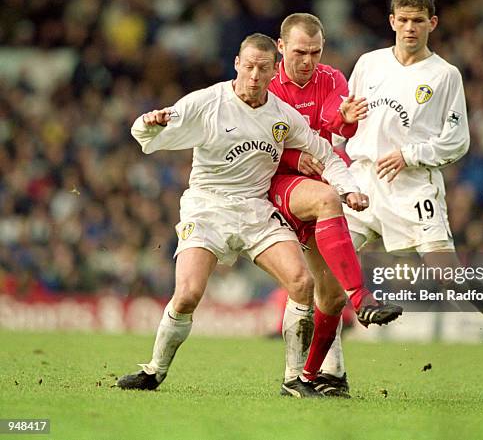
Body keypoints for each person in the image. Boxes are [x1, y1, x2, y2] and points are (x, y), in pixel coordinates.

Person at [116, 33, 368, 397]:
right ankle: (154, 371)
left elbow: (327, 155)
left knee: (302, 283)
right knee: (187, 294)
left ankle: (295, 380)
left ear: (273, 71)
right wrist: (149, 122)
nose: (253, 76)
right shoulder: (208, 102)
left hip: (255, 209)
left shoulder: (284, 116)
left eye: (262, 69)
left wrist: (348, 189)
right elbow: (150, 131)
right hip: (208, 206)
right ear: (237, 64)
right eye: (248, 66)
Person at [330, 0, 483, 382]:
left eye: (418, 21)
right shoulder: (368, 64)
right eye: (403, 20)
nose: (410, 28)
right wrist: (341, 123)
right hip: (363, 180)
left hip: (411, 186)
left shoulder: (445, 76)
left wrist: (410, 154)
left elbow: (457, 140)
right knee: (329, 270)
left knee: (448, 275)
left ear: (433, 23)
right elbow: (345, 120)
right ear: (392, 21)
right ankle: (330, 372)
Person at [268, 13, 403, 397]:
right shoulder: (269, 87)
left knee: (328, 294)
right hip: (281, 183)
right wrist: (298, 161)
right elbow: (261, 148)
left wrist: (343, 121)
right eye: (299, 52)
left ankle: (316, 378)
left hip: (321, 179)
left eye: (315, 52)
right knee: (327, 205)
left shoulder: (331, 78)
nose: (308, 60)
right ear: (281, 48)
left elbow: (335, 119)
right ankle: (363, 298)